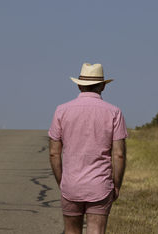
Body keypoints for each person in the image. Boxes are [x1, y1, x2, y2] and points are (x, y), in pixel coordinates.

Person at [48, 63, 128, 234]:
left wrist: (62, 181)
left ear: (79, 84)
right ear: (104, 86)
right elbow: (119, 154)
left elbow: (54, 152)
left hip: (71, 184)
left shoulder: (61, 111)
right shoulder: (114, 112)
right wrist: (117, 185)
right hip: (100, 185)